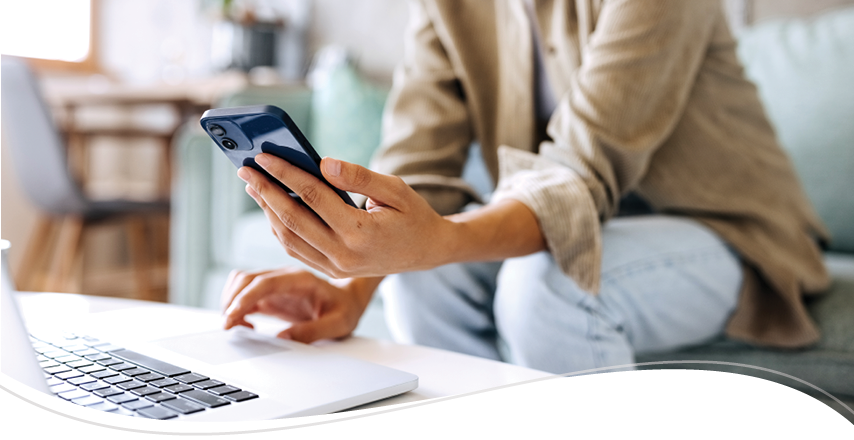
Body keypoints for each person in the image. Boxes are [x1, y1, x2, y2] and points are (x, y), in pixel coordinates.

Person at [220, 0, 830, 375]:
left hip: (730, 232)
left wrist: (436, 240)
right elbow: (418, 164)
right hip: (598, 221)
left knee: (550, 282)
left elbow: (581, 172)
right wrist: (353, 281)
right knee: (423, 282)